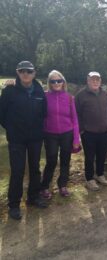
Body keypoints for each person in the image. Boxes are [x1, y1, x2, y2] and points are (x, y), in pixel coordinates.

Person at [0, 61, 48, 220]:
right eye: (22, 71)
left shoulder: (39, 89)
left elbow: (44, 112)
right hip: (16, 139)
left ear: (34, 73)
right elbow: (2, 114)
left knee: (35, 168)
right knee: (17, 170)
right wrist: (13, 129)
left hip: (35, 137)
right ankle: (14, 205)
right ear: (17, 72)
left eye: (29, 71)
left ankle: (33, 197)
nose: (25, 74)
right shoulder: (9, 90)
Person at [40, 70, 80, 199]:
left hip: (66, 134)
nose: (56, 83)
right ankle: (45, 186)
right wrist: (12, 84)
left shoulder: (69, 98)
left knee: (65, 160)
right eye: (53, 81)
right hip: (50, 134)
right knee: (51, 160)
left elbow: (75, 120)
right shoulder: (44, 96)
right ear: (49, 83)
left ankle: (63, 185)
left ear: (63, 82)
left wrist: (76, 138)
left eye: (59, 80)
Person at [75, 72, 107, 191]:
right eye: (93, 79)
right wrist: (82, 130)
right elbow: (76, 114)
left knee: (102, 155)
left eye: (97, 79)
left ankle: (100, 174)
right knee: (90, 157)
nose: (95, 82)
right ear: (88, 80)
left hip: (104, 131)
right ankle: (89, 179)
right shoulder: (80, 95)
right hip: (88, 133)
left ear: (100, 81)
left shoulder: (105, 94)